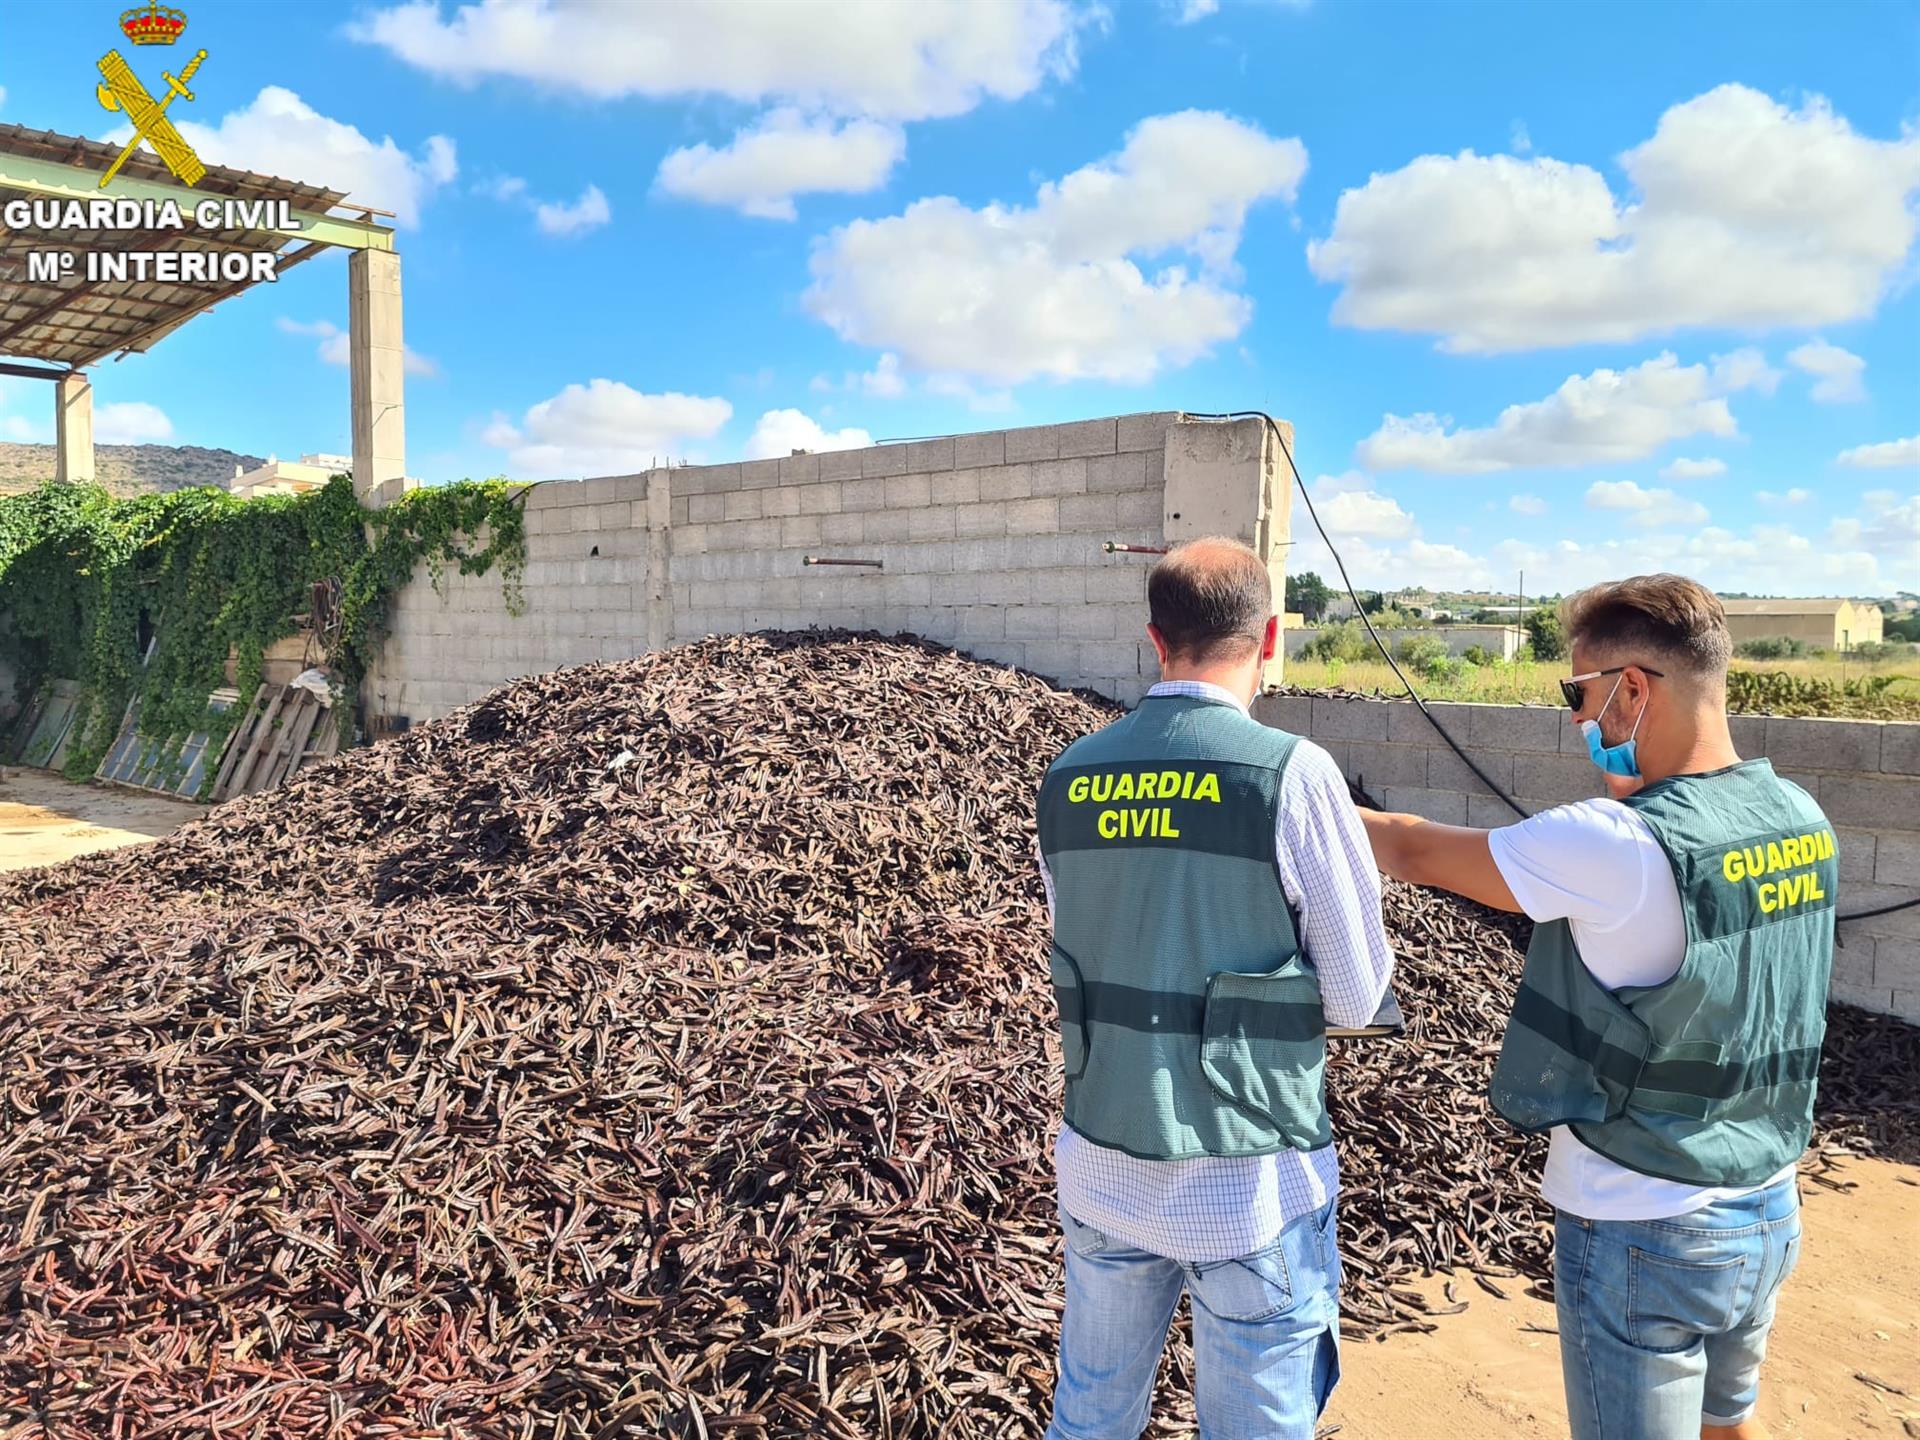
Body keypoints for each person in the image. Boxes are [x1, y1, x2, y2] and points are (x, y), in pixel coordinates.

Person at [1359, 575, 1834, 1440]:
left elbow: (1415, 851)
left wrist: (1288, 793)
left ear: (1634, 689)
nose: (1577, 718)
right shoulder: (1799, 816)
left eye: (1578, 694)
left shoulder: (1612, 844)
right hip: (1766, 1202)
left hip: (1644, 1222)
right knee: (1729, 1424)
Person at [1034, 536, 1395, 1439]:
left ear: (1156, 641)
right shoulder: (1291, 774)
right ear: (1269, 639)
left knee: (1090, 1417)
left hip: (1102, 1164)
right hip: (1250, 1190)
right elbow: (1356, 998)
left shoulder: (1069, 777)